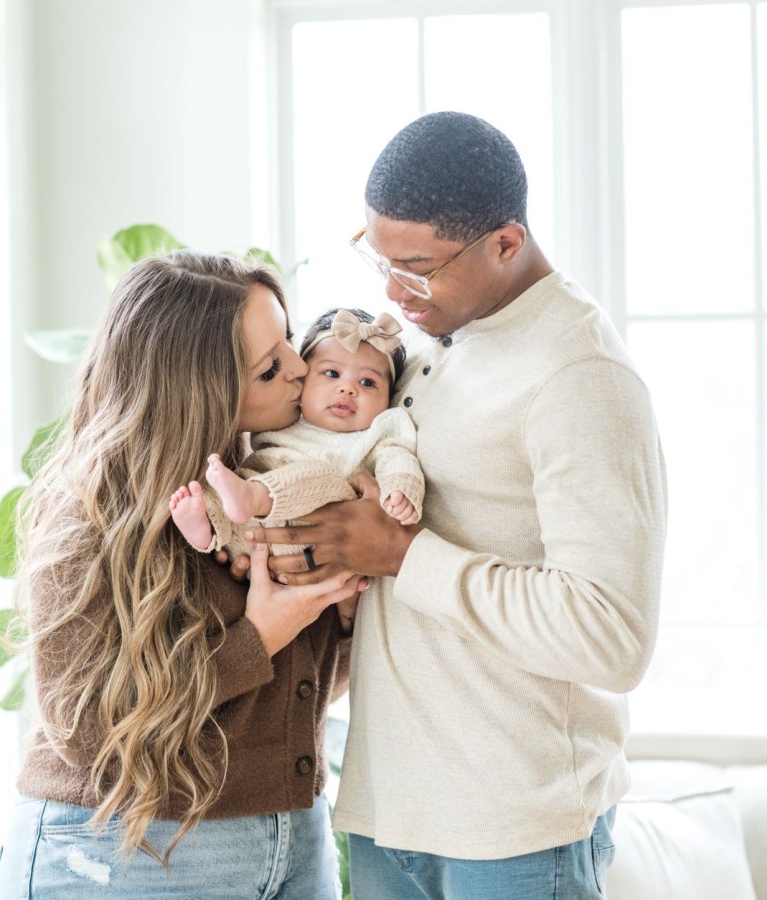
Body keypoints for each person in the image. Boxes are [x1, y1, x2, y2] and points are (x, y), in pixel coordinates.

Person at [247, 112, 668, 899]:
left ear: (505, 244)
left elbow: (614, 637)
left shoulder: (582, 376)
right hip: (387, 814)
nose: (391, 292)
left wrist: (402, 556)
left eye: (417, 267)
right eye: (379, 260)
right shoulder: (436, 338)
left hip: (515, 833)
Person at [0, 251, 364, 899]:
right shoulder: (89, 520)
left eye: (290, 343)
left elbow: (284, 700)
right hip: (124, 849)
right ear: (201, 388)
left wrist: (342, 619)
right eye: (271, 366)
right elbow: (87, 732)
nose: (302, 369)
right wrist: (262, 633)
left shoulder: (265, 489)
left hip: (290, 839)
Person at [168, 307, 425, 586]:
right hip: (254, 543)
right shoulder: (284, 417)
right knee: (221, 486)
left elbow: (398, 459)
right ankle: (207, 529)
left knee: (323, 477)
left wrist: (402, 491)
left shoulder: (378, 432)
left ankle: (252, 496)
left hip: (318, 537)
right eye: (331, 373)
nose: (348, 389)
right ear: (304, 378)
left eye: (367, 382)